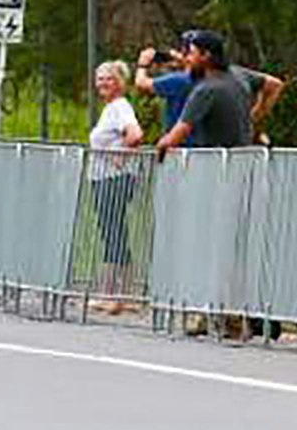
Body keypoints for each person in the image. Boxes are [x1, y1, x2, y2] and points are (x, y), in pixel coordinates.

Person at [135, 34, 280, 137]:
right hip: (215, 151)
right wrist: (252, 119)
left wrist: (143, 64)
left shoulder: (179, 81)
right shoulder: (231, 74)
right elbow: (274, 84)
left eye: (190, 52)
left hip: (183, 152)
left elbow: (141, 84)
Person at [88, 60, 144, 313]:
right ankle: (122, 294)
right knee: (112, 233)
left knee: (113, 233)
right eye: (99, 78)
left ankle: (116, 295)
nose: (103, 82)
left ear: (120, 82)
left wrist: (119, 157)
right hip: (104, 179)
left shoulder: (120, 107)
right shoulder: (110, 108)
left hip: (113, 179)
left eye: (109, 78)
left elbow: (135, 135)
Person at [154, 29, 252, 153]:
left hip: (215, 161)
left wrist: (158, 149)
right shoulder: (240, 77)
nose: (187, 59)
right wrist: (254, 118)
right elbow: (271, 83)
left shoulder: (206, 89)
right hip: (243, 157)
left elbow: (173, 139)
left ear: (206, 55)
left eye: (191, 53)